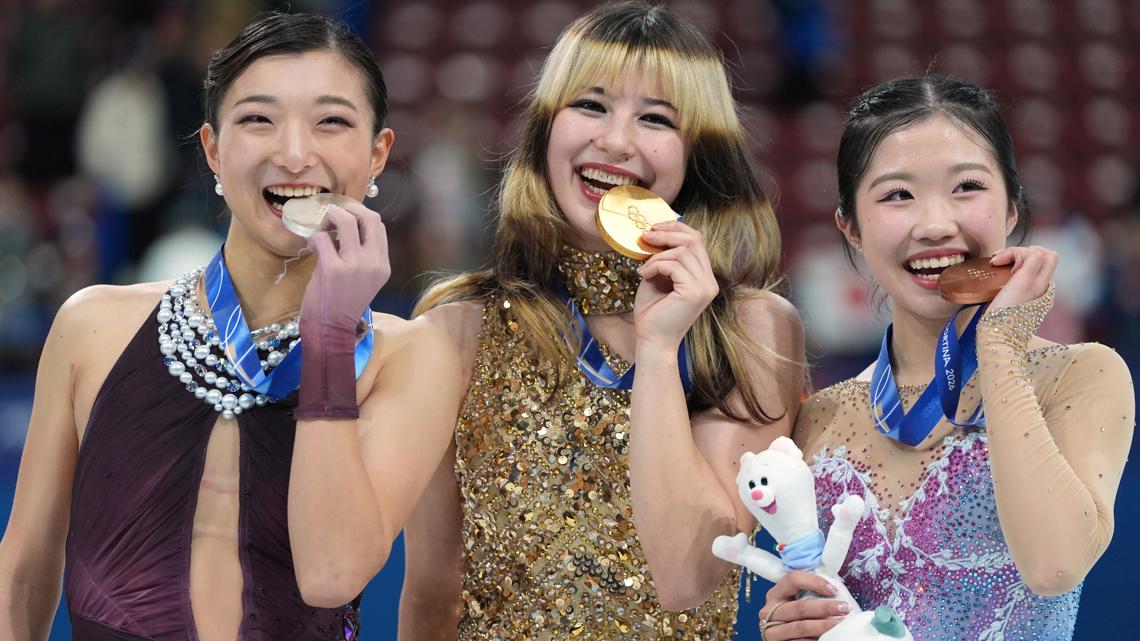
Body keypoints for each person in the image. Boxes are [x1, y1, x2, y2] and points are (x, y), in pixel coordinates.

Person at [0, 12, 462, 641]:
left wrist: (328, 332)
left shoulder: (410, 356)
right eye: (258, 119)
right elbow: (24, 570)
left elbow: (332, 572)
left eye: (331, 121)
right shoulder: (94, 325)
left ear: (378, 152)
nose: (295, 153)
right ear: (213, 149)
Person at [378, 1, 804, 637]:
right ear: (547, 127)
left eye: (655, 118)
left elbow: (690, 577)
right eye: (591, 105)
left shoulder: (749, 330)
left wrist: (660, 351)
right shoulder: (455, 326)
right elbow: (434, 590)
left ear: (700, 152)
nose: (616, 141)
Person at [758, 75, 1134, 641]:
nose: (935, 225)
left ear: (1012, 207)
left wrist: (1001, 349)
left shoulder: (1080, 375)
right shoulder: (820, 416)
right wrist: (793, 623)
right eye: (896, 195)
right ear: (850, 227)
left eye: (967, 187)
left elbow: (1054, 566)